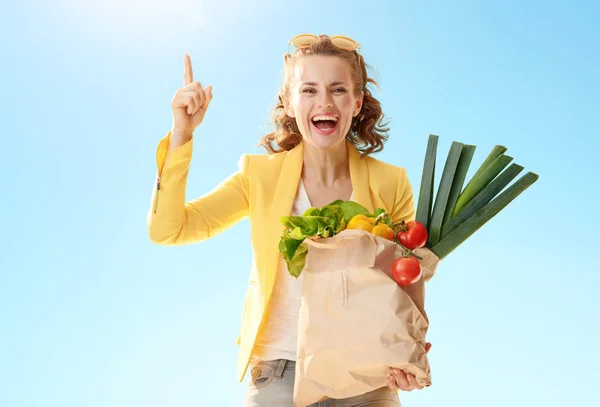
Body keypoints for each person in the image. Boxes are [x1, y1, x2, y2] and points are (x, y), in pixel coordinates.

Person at [147, 34, 432, 407]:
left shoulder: (390, 183)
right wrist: (182, 134)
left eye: (338, 90)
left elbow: (406, 275)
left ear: (357, 101)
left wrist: (408, 353)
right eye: (309, 90)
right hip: (278, 378)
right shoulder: (258, 175)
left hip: (367, 379)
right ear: (288, 100)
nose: (324, 102)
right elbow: (169, 229)